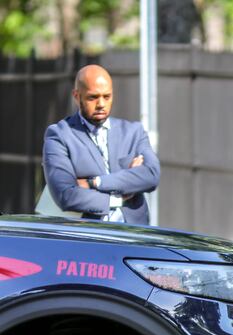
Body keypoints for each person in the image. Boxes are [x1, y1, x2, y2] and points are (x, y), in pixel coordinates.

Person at [41, 64, 160, 224]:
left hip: (134, 236)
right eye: (93, 97)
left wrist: (94, 182)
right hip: (89, 238)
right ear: (77, 96)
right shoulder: (60, 135)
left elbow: (151, 176)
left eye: (107, 96)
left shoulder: (133, 132)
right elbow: (66, 195)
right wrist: (120, 196)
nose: (101, 104)